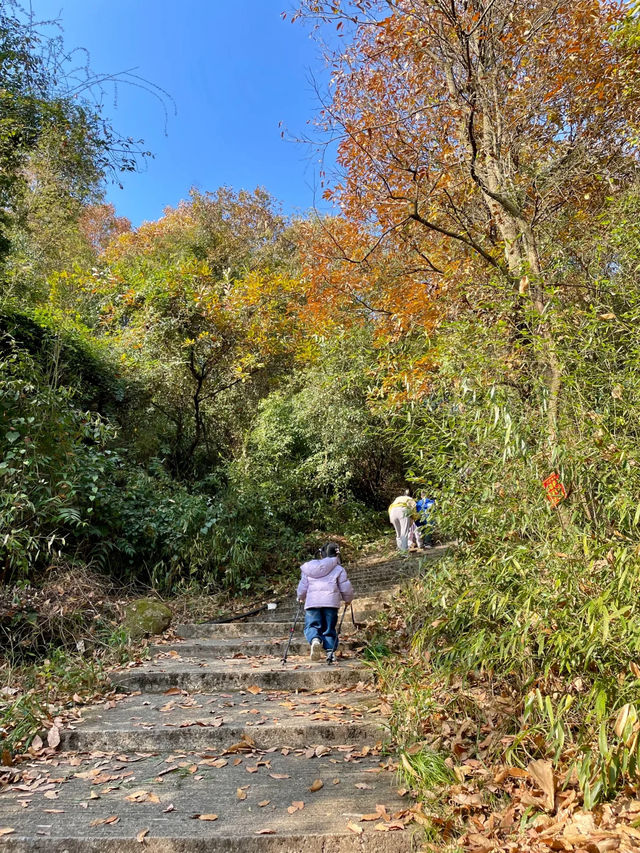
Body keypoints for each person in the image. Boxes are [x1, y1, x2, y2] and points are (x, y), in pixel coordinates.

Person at [297, 542, 354, 664]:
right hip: (331, 603)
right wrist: (348, 599)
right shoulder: (339, 569)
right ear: (336, 555)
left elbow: (303, 586)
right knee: (329, 628)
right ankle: (330, 652)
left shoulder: (309, 568)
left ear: (322, 554)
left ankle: (315, 639)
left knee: (312, 625)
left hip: (312, 602)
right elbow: (345, 587)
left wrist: (300, 597)